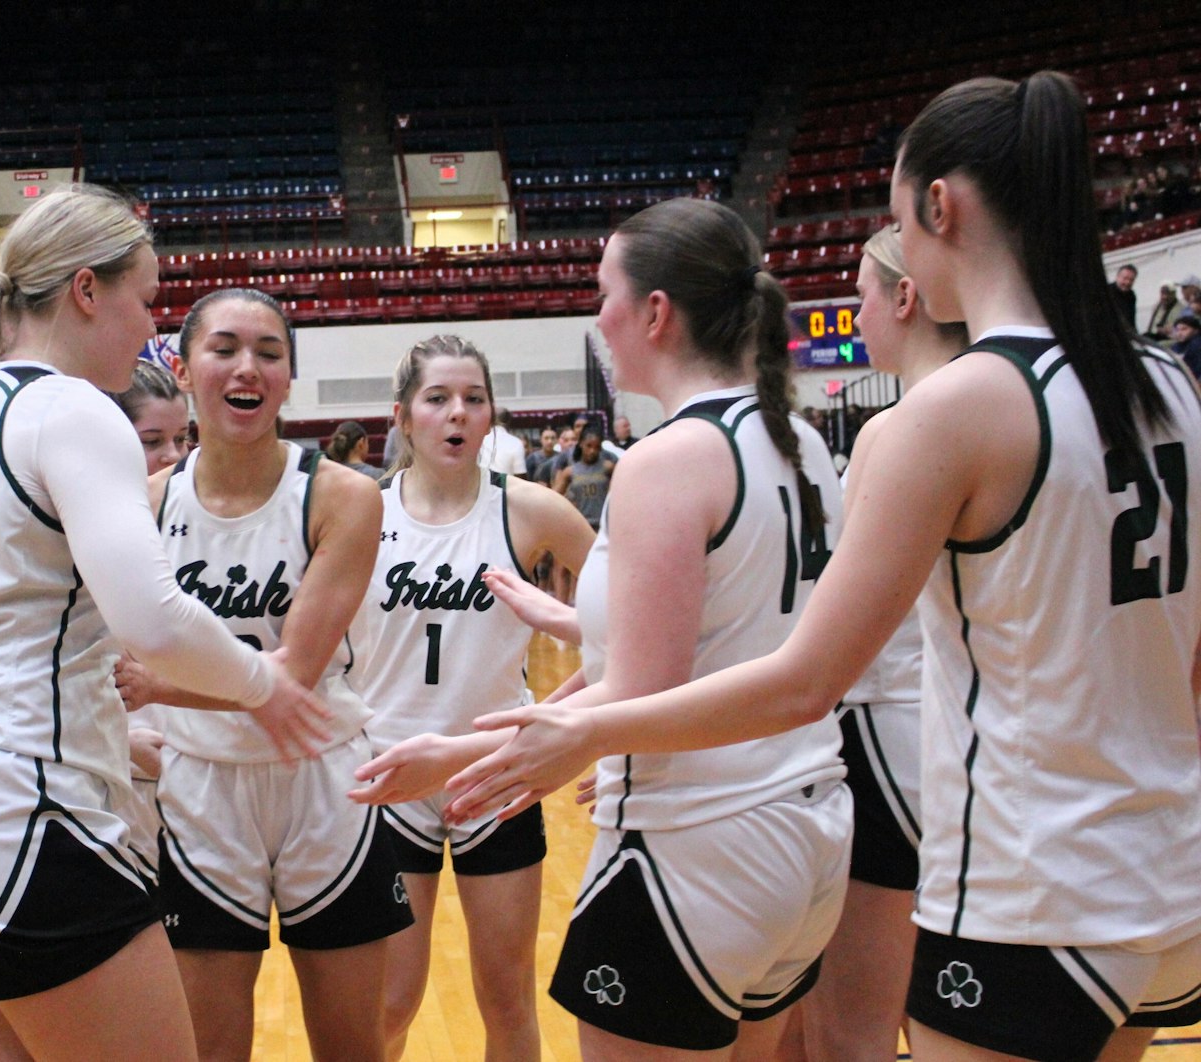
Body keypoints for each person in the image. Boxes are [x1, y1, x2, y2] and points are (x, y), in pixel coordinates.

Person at [438, 72, 1201, 1062]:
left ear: (937, 209)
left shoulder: (953, 410)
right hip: (1170, 873)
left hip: (1034, 885)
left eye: (895, 220)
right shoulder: (1171, 383)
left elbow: (805, 683)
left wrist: (576, 732)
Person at [357, 196, 852, 1058]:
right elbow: (704, 642)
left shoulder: (668, 458)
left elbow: (644, 689)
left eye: (602, 294)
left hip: (698, 838)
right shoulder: (801, 442)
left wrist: (455, 755)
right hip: (807, 826)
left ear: (655, 312)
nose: (597, 318)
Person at [0, 186, 328, 1061]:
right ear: (87, 291)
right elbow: (152, 618)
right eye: (148, 300)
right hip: (18, 810)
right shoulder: (69, 408)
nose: (151, 327)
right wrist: (262, 683)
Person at [113, 287, 408, 1062]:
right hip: (199, 785)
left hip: (323, 779)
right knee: (211, 1049)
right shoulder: (141, 506)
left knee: (353, 1048)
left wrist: (158, 687)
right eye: (225, 349)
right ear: (181, 369)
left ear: (287, 378)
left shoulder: (342, 495)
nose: (248, 367)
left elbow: (293, 675)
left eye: (269, 353)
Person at [346, 334, 595, 1061]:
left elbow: (635, 619)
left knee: (507, 997)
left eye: (473, 399)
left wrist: (581, 714)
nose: (457, 413)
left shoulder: (533, 511)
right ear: (402, 417)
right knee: (390, 1003)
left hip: (499, 773)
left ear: (491, 417)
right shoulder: (359, 511)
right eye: (438, 398)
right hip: (392, 777)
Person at [785, 226, 970, 1062]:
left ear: (905, 297)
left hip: (884, 738)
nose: (854, 313)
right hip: (968, 745)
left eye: (861, 292)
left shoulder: (902, 430)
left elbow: (836, 637)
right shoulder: (1023, 407)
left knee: (847, 1034)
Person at [107, 357, 193, 887]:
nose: (173, 455)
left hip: (195, 775)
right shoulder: (82, 537)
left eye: (182, 438)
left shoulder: (193, 521)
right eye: (153, 440)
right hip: (116, 776)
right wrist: (116, 743)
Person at [553, 427, 615, 530]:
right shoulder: (570, 472)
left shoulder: (608, 467)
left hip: (604, 524)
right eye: (589, 446)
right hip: (580, 525)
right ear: (581, 444)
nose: (592, 451)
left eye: (596, 447)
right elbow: (554, 496)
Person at [478, 406, 527, 477]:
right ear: (509, 422)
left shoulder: (479, 440)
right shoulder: (515, 443)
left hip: (480, 485)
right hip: (507, 486)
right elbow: (520, 474)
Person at [1108, 264, 1137, 331]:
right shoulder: (1106, 292)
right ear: (1117, 277)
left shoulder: (1131, 296)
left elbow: (1131, 320)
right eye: (1125, 278)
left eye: (1131, 280)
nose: (1127, 282)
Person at [1171, 313, 1201, 378]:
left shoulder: (1197, 345)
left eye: (1184, 329)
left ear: (1196, 330)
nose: (1179, 333)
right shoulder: (1176, 346)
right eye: (1177, 330)